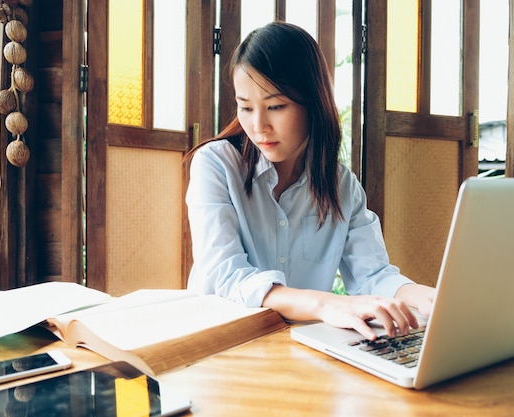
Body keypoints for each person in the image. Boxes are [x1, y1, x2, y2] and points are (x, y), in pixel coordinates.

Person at [184, 21, 435, 340]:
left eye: (276, 106)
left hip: (299, 349)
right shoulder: (217, 165)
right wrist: (325, 304)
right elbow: (225, 275)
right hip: (217, 347)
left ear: (313, 102)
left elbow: (372, 275)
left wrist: (425, 297)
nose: (258, 125)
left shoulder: (342, 186)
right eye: (245, 107)